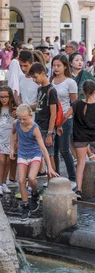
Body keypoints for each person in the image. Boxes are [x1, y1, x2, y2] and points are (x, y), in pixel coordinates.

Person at [10, 104, 59, 220]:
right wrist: (12, 148)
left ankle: (35, 192)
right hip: (22, 154)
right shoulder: (16, 123)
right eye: (20, 118)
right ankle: (25, 206)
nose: (22, 121)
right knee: (21, 180)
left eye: (25, 119)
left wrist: (50, 168)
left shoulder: (35, 128)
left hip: (35, 155)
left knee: (32, 178)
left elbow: (43, 148)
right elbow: (12, 134)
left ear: (31, 116)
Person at [62, 80, 95, 199]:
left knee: (80, 163)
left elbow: (66, 116)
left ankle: (79, 190)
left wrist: (59, 126)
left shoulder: (76, 104)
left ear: (83, 91)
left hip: (80, 137)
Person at [50, 54, 77, 187]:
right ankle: (56, 176)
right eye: (54, 65)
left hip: (66, 119)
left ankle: (72, 179)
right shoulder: (51, 81)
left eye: (58, 65)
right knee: (53, 150)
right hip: (52, 120)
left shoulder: (70, 82)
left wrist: (64, 118)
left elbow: (74, 104)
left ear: (65, 66)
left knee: (64, 149)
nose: (56, 68)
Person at [29, 62, 58, 178]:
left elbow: (53, 114)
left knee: (49, 157)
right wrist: (25, 108)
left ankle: (53, 184)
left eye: (35, 77)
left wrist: (50, 134)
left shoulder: (52, 91)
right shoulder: (40, 89)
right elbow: (39, 105)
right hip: (38, 126)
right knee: (39, 155)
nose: (34, 80)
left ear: (42, 74)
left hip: (47, 128)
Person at [0, 86, 17, 195]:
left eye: (6, 96)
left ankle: (4, 182)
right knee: (1, 161)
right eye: (1, 97)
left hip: (10, 140)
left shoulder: (15, 110)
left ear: (10, 97)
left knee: (8, 161)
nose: (4, 99)